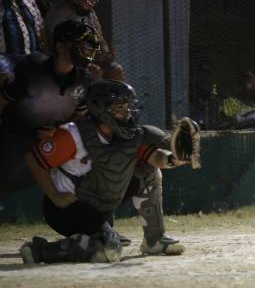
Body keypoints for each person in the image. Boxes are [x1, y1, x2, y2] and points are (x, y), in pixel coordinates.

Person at [19, 79, 189, 264]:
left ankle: (154, 239)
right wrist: (54, 194)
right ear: (101, 108)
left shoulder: (128, 133)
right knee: (108, 251)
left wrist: (175, 158)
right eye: (119, 106)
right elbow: (34, 159)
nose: (126, 111)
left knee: (147, 169)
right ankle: (39, 250)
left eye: (127, 106)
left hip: (100, 205)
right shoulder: (73, 134)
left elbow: (155, 157)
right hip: (68, 208)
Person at [0, 19, 98, 195]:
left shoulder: (85, 79)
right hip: (15, 136)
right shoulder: (32, 68)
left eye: (88, 46)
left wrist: (58, 132)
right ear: (60, 47)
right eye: (80, 45)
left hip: (53, 139)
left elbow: (79, 117)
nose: (86, 50)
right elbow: (3, 99)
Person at [45, 0, 125, 81]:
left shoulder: (89, 12)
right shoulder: (58, 14)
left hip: (90, 56)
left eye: (94, 1)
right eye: (88, 1)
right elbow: (54, 46)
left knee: (116, 70)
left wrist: (105, 52)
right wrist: (90, 56)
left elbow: (99, 36)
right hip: (71, 59)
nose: (92, 5)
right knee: (95, 73)